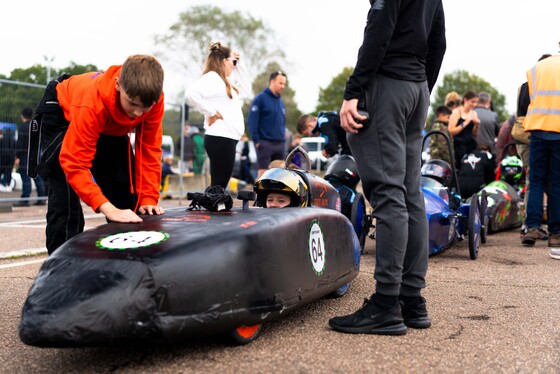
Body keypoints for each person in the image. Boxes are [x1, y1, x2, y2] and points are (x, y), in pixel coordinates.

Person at [330, 0, 446, 336]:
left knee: (388, 195)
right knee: (410, 194)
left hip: (389, 85)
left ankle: (385, 304)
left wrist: (354, 91)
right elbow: (439, 42)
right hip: (415, 88)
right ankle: (411, 300)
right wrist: (422, 88)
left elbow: (378, 29)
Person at [28, 55, 165, 255]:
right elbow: (74, 164)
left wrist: (148, 198)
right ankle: (63, 267)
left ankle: (129, 263)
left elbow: (150, 149)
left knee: (127, 200)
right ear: (118, 85)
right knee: (66, 202)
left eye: (145, 108)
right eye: (133, 104)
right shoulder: (91, 104)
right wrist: (107, 207)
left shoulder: (154, 99)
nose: (138, 114)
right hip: (62, 113)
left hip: (109, 126)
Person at [185, 42, 248, 189]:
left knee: (218, 186)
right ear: (225, 61)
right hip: (221, 138)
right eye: (233, 63)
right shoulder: (213, 78)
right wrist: (212, 112)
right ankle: (212, 209)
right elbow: (190, 94)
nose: (234, 66)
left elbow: (246, 91)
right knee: (218, 187)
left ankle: (213, 207)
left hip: (226, 139)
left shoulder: (224, 82)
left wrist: (240, 64)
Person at [520, 54, 560, 252]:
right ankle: (555, 234)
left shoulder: (538, 68)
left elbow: (528, 98)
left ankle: (532, 228)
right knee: (557, 183)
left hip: (538, 129)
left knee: (536, 180)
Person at [515, 54, 552, 240]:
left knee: (534, 181)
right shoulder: (548, 83)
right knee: (551, 182)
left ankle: (531, 225)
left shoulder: (528, 83)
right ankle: (552, 229)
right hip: (546, 134)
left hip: (532, 136)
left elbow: (522, 110)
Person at [248, 71, 287, 179]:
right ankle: (259, 196)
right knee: (263, 174)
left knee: (280, 174)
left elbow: (282, 121)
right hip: (264, 142)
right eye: (280, 83)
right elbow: (252, 120)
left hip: (280, 143)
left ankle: (276, 196)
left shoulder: (281, 102)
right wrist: (256, 140)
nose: (283, 86)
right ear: (272, 82)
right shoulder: (260, 99)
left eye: (284, 84)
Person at [14, 108, 47, 206]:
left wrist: (17, 156)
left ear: (22, 116)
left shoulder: (22, 127)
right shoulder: (36, 126)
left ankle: (25, 199)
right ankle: (41, 198)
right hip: (36, 155)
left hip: (25, 155)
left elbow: (20, 143)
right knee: (37, 176)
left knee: (25, 177)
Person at [448, 90, 481, 169]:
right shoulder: (456, 112)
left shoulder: (474, 113)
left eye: (476, 102)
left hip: (470, 146)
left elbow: (475, 134)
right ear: (465, 100)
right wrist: (465, 123)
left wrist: (477, 125)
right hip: (458, 146)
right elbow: (450, 131)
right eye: (472, 102)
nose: (474, 104)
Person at [474, 92, 500, 156]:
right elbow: (498, 133)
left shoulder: (470, 113)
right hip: (489, 152)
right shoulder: (494, 115)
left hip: (472, 151)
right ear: (488, 102)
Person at [0, 127, 16, 192]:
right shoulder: (14, 141)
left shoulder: (1, 140)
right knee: (8, 172)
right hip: (11, 158)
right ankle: (8, 185)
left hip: (2, 158)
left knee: (0, 171)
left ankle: (2, 184)